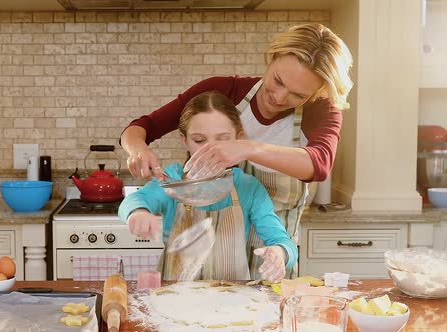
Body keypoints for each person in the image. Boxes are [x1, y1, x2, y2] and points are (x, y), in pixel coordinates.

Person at [120, 23, 353, 278]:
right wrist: (138, 150)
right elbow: (143, 127)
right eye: (277, 80)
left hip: (270, 261)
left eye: (298, 94)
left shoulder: (320, 111)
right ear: (272, 57)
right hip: (194, 269)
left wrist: (248, 149)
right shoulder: (221, 92)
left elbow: (319, 164)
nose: (279, 97)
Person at [118, 91, 298, 282]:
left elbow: (283, 241)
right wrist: (138, 212)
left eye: (222, 139)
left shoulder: (248, 187)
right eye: (199, 140)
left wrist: (279, 254)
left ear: (239, 139)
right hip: (174, 299)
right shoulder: (173, 179)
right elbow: (134, 200)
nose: (211, 150)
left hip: (230, 300)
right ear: (184, 140)